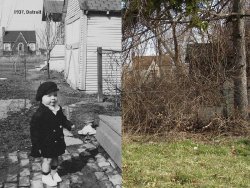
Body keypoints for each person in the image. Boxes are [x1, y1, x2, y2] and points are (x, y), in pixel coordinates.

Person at [30, 81, 74, 186]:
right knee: (47, 160)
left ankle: (54, 173)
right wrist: (36, 146)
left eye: (55, 95)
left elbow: (62, 119)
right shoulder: (39, 114)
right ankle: (45, 176)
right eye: (49, 96)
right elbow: (34, 131)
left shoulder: (57, 109)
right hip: (46, 142)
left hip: (57, 140)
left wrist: (69, 125)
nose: (53, 98)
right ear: (41, 98)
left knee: (56, 157)